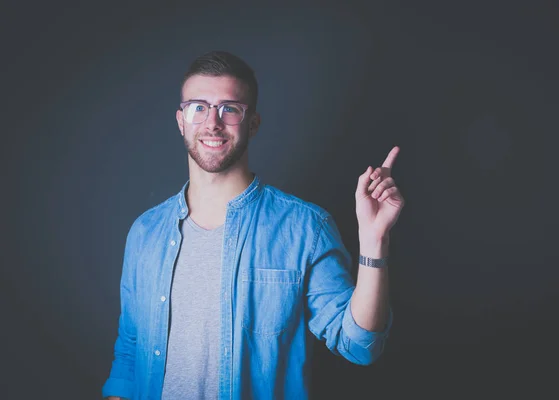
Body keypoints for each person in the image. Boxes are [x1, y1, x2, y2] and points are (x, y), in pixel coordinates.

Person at [102, 50, 405, 400]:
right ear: (180, 120)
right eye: (198, 107)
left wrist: (374, 240)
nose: (212, 122)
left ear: (253, 123)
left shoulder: (305, 227)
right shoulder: (145, 232)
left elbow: (359, 346)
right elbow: (129, 351)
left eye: (230, 108)